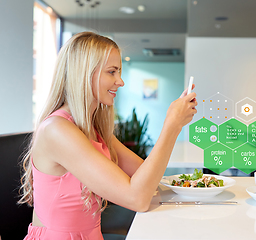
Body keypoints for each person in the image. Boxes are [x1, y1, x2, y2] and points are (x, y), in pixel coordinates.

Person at [18, 31, 197, 239]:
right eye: (112, 72)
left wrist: (175, 123)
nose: (120, 81)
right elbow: (137, 198)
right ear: (84, 74)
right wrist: (172, 125)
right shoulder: (57, 130)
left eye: (119, 72)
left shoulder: (92, 129)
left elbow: (145, 177)